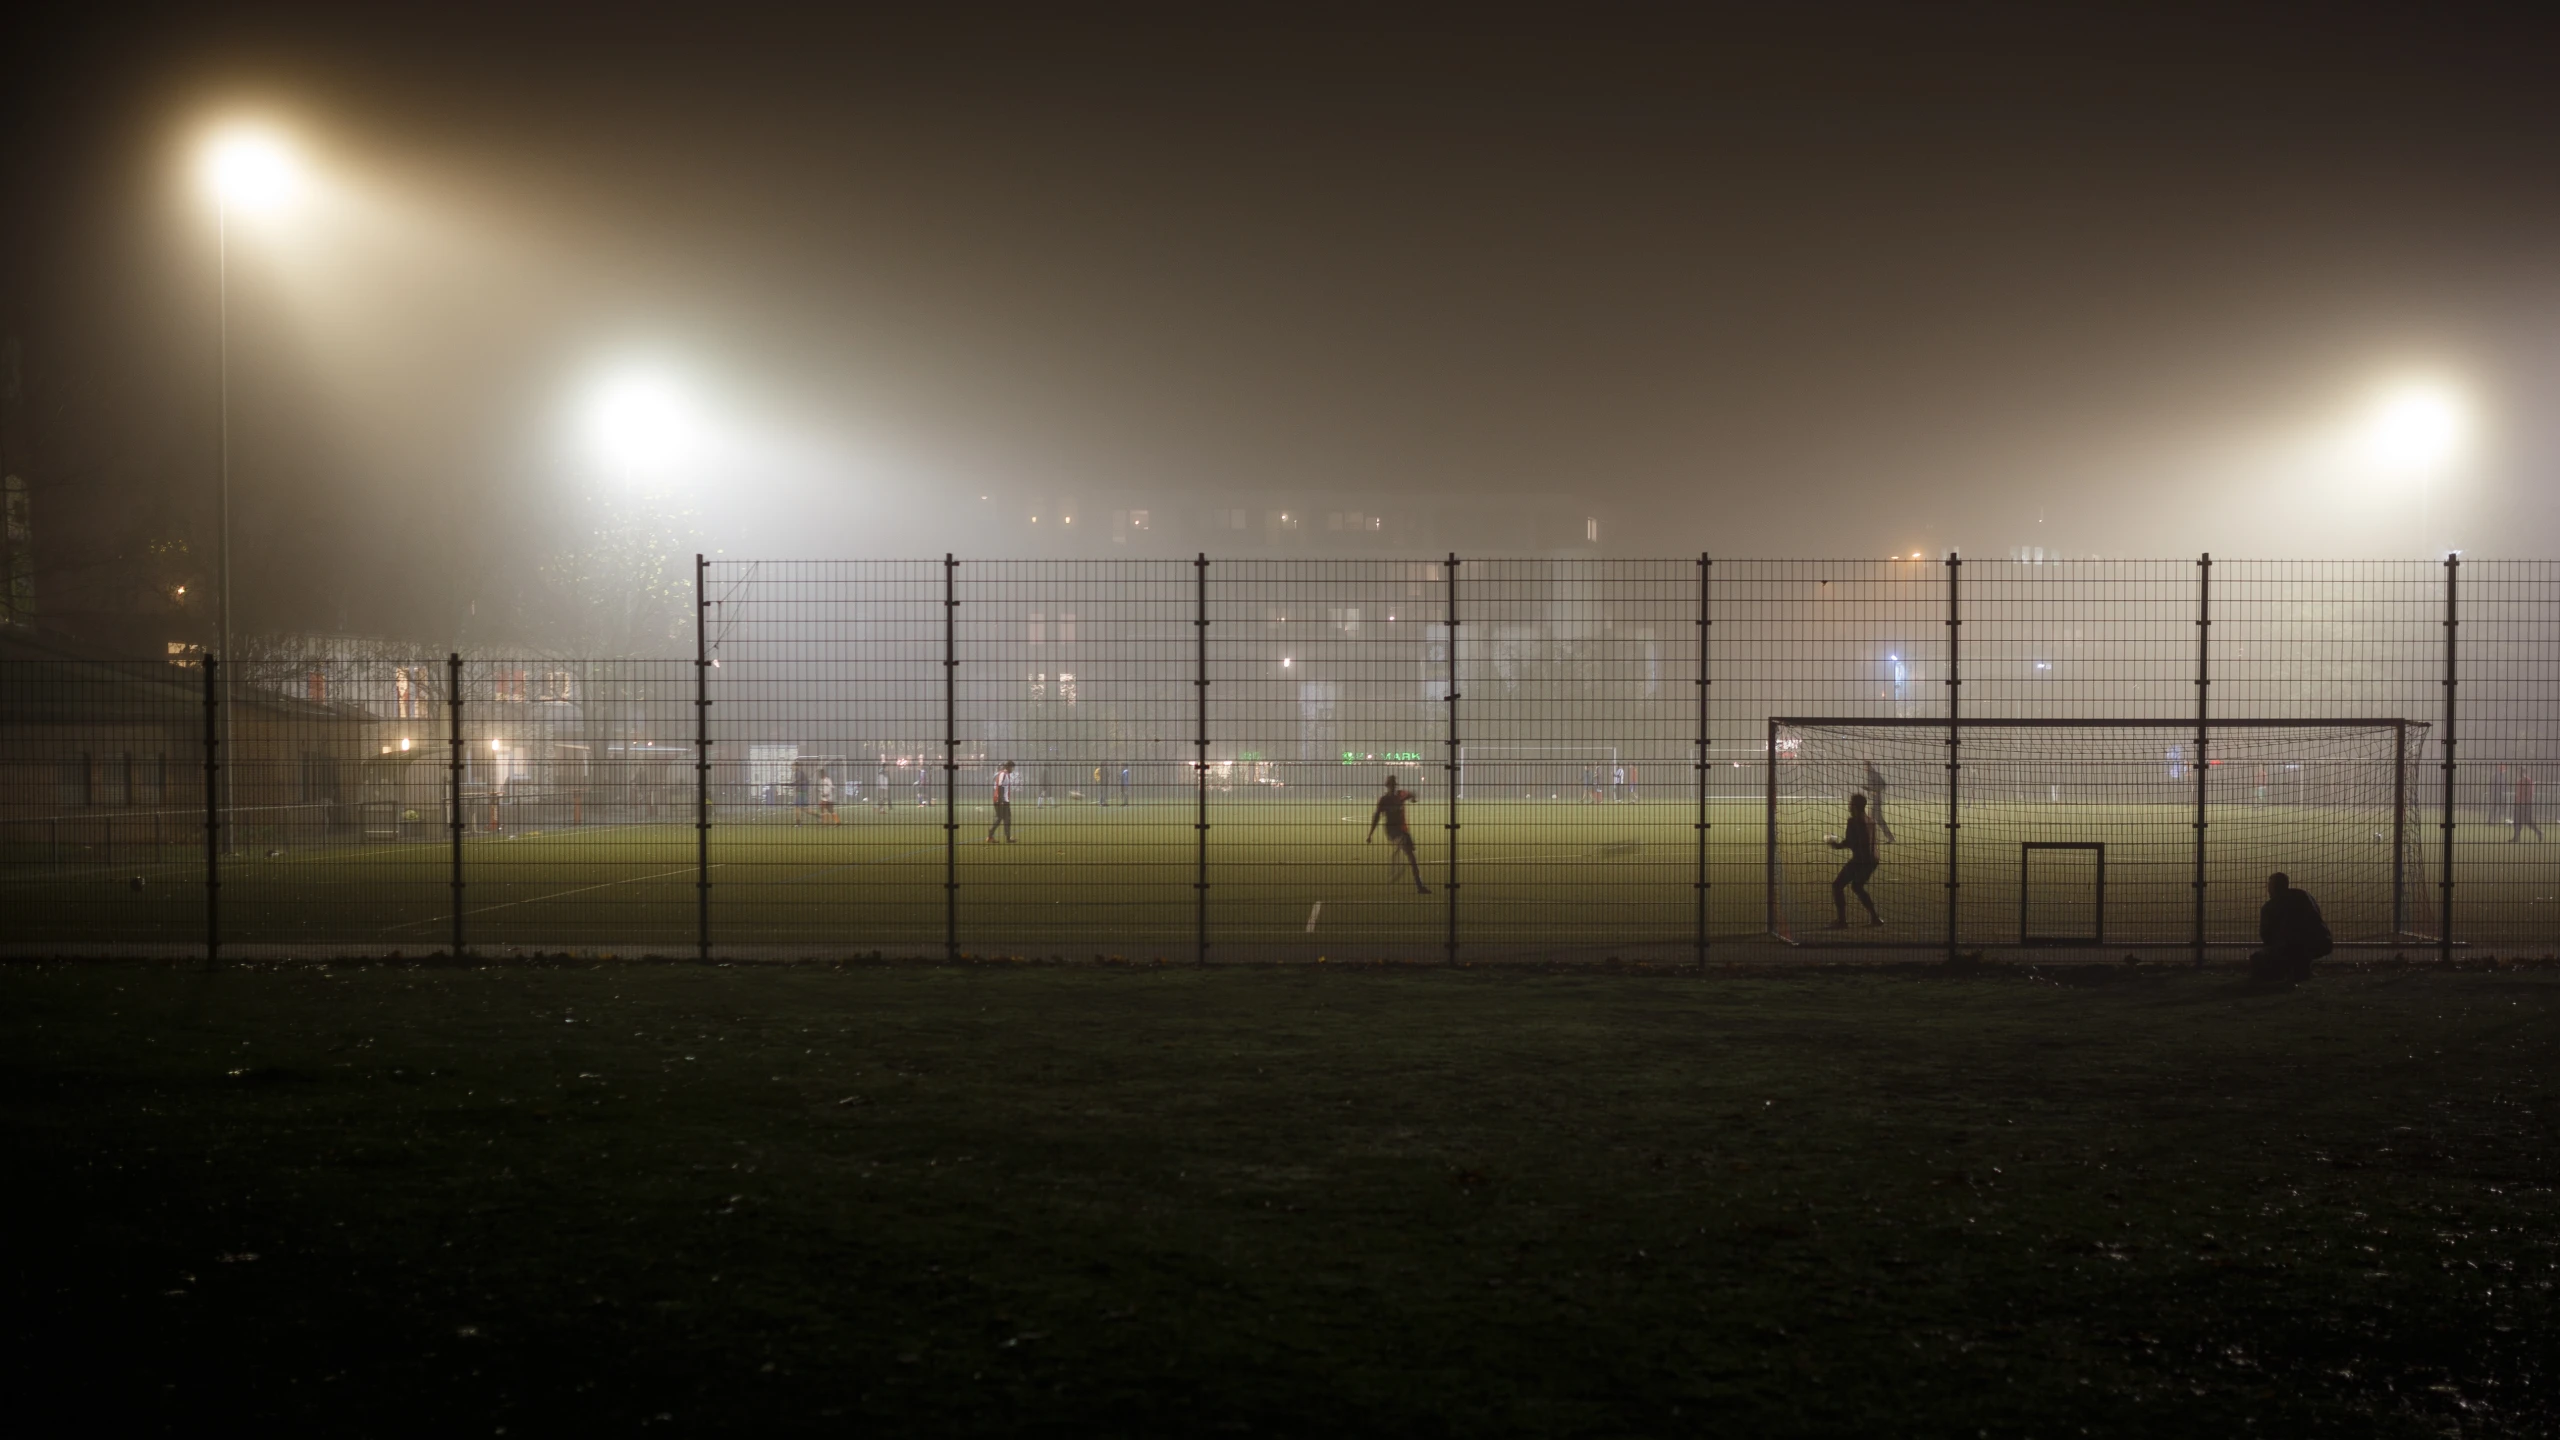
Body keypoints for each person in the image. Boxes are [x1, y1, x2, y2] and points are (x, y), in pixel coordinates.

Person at [2250, 872, 2332, 984]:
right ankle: (2300, 971)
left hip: (2290, 947)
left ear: (2273, 888)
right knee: (2298, 948)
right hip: (2322, 942)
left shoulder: (2269, 907)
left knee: (2261, 957)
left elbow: (2266, 936)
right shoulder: (2304, 895)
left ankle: (2284, 971)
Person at [1365, 774, 1431, 894]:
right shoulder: (1384, 800)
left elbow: (1412, 793)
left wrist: (1413, 798)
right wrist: (1370, 834)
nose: (1392, 787)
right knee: (1402, 843)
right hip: (1391, 831)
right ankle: (1396, 863)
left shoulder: (1401, 795)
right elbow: (1376, 817)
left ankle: (1419, 885)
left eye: (1393, 785)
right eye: (1390, 785)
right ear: (1387, 786)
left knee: (1412, 858)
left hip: (1403, 830)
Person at [1827, 792, 1883, 928]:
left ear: (1854, 806)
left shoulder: (1853, 821)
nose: (1849, 806)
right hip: (1873, 859)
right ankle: (1875, 918)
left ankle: (1842, 921)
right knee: (1857, 886)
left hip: (1860, 860)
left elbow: (1851, 842)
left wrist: (1835, 844)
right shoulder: (1870, 820)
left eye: (1851, 803)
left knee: (1837, 885)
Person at [1860, 759, 1896, 844]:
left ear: (1868, 766)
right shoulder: (1870, 774)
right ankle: (1885, 837)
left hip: (1876, 801)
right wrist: (1867, 788)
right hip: (1873, 800)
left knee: (1876, 820)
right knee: (1872, 819)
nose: (1864, 768)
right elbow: (1873, 787)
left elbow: (1883, 784)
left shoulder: (1874, 774)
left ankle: (1887, 837)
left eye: (1865, 766)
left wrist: (1875, 791)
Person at [988, 760, 1017, 843]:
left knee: (1005, 819)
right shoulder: (1003, 774)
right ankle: (991, 835)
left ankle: (1006, 838)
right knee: (1001, 818)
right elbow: (999, 786)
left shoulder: (1005, 774)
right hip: (1001, 801)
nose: (1012, 769)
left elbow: (996, 787)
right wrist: (1001, 800)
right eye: (1012, 767)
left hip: (1004, 800)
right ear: (1008, 767)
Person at [2515, 768, 2543, 842]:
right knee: (2517, 820)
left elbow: (2530, 793)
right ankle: (2516, 837)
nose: (2519, 773)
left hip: (2526, 804)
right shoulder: (2519, 781)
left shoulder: (2528, 781)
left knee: (2527, 821)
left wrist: (2525, 802)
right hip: (2519, 804)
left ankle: (2539, 832)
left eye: (2520, 772)